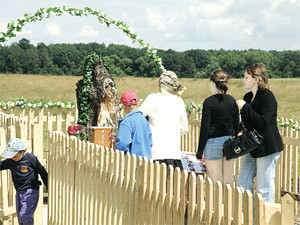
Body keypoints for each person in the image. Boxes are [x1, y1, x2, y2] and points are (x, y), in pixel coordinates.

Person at [236, 62, 283, 203]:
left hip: (267, 146)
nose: (243, 80)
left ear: (256, 79)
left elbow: (263, 123)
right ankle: (246, 218)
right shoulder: (247, 97)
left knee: (264, 189)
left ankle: (266, 220)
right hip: (253, 146)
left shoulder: (268, 97)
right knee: (242, 183)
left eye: (246, 77)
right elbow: (249, 124)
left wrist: (245, 108)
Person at [196, 70, 239, 185]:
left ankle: (218, 203)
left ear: (212, 83)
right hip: (229, 142)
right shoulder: (232, 100)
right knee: (227, 181)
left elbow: (205, 128)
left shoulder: (209, 102)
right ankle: (228, 203)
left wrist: (200, 150)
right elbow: (236, 125)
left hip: (213, 143)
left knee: (216, 182)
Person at [140, 70, 188, 170]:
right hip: (173, 152)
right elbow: (184, 129)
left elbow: (139, 117)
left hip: (156, 152)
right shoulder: (178, 101)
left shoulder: (152, 98)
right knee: (173, 184)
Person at [0, 138, 48, 225]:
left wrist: (48, 185)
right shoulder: (11, 161)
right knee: (20, 218)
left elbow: (42, 171)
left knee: (24, 216)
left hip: (31, 191)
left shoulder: (31, 159)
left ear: (23, 151)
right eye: (11, 156)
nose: (13, 158)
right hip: (19, 192)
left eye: (15, 156)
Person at [115, 91, 152, 159]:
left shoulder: (126, 122)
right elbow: (150, 142)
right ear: (137, 105)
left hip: (132, 163)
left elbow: (122, 143)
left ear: (124, 106)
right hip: (146, 162)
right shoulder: (144, 120)